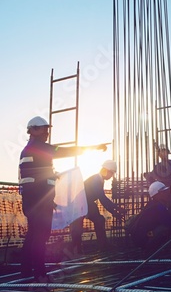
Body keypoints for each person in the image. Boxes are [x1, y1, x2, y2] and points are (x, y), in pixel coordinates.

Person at [18, 116, 107, 282]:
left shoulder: (29, 149)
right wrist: (93, 148)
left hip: (32, 201)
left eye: (47, 129)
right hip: (38, 202)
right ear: (33, 130)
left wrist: (51, 179)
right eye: (44, 129)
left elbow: (35, 176)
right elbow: (65, 151)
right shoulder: (38, 147)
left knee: (32, 235)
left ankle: (25, 270)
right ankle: (39, 273)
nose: (47, 132)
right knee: (41, 236)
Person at [69, 160, 126, 254]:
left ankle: (103, 246)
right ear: (106, 170)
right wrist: (115, 211)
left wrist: (116, 208)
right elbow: (102, 198)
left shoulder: (98, 179)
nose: (112, 176)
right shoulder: (96, 180)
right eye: (111, 173)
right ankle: (75, 250)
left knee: (99, 220)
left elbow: (102, 197)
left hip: (87, 202)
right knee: (78, 228)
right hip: (79, 204)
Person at [125, 181, 171, 256]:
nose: (166, 194)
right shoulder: (158, 207)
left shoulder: (152, 205)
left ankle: (151, 248)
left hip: (140, 238)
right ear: (157, 195)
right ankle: (151, 250)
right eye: (163, 192)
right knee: (165, 227)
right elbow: (170, 222)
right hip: (144, 239)